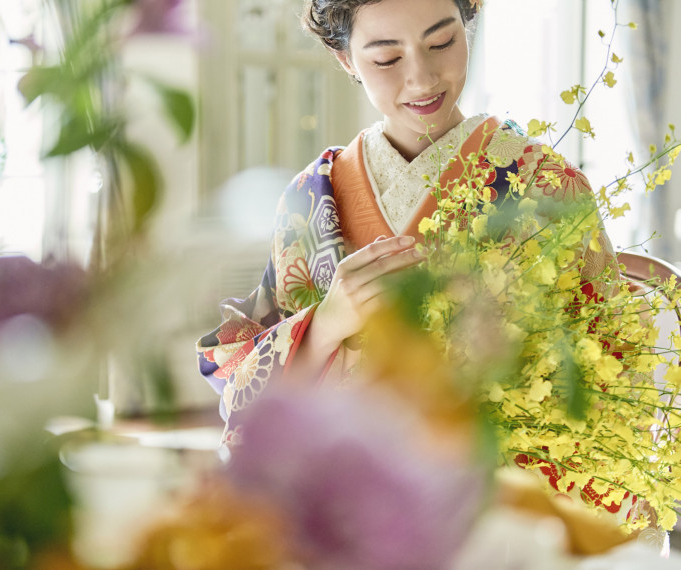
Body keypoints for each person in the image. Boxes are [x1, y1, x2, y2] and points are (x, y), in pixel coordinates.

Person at [197, 0, 615, 467]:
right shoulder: (310, 198)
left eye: (441, 42)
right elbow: (238, 373)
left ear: (467, 23)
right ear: (346, 59)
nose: (422, 78)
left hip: (495, 493)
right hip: (339, 490)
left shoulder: (546, 184)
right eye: (387, 58)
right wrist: (324, 325)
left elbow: (609, 360)